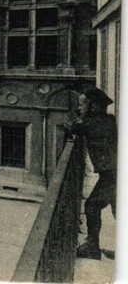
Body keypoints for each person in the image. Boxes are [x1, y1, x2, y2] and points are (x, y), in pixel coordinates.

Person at [65, 86, 117, 260]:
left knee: (92, 206)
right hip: (114, 174)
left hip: (114, 176)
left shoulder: (93, 123)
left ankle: (92, 247)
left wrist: (79, 116)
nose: (79, 108)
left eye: (82, 104)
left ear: (93, 107)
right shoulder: (106, 120)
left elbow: (71, 126)